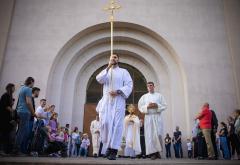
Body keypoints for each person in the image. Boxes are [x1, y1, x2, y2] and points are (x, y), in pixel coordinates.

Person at [96, 54, 133, 160]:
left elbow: (129, 85)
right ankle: (108, 145)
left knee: (117, 125)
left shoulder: (124, 72)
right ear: (109, 60)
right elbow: (99, 79)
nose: (114, 59)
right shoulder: (107, 72)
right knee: (106, 123)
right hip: (107, 101)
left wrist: (118, 91)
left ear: (118, 59)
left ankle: (113, 150)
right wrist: (108, 66)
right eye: (112, 57)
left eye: (115, 57)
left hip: (119, 100)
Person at [138, 81, 167, 160]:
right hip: (148, 117)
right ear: (147, 88)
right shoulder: (144, 97)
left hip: (157, 117)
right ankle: (153, 153)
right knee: (150, 135)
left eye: (151, 85)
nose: (150, 87)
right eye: (148, 86)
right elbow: (140, 107)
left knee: (158, 134)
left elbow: (164, 105)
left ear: (154, 86)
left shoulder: (159, 96)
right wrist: (147, 106)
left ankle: (158, 152)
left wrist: (157, 105)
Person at [14, 77, 36, 155]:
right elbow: (29, 102)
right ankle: (16, 150)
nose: (34, 85)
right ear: (31, 82)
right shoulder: (28, 89)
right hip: (25, 112)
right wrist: (33, 113)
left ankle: (15, 149)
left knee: (20, 131)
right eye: (33, 83)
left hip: (19, 111)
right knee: (22, 132)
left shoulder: (22, 88)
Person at [0, 83, 15, 155]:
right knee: (4, 134)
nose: (14, 89)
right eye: (13, 88)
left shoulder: (9, 96)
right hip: (4, 118)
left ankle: (6, 150)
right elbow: (6, 106)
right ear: (10, 88)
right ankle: (2, 150)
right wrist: (12, 111)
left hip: (7, 118)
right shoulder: (5, 95)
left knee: (7, 134)